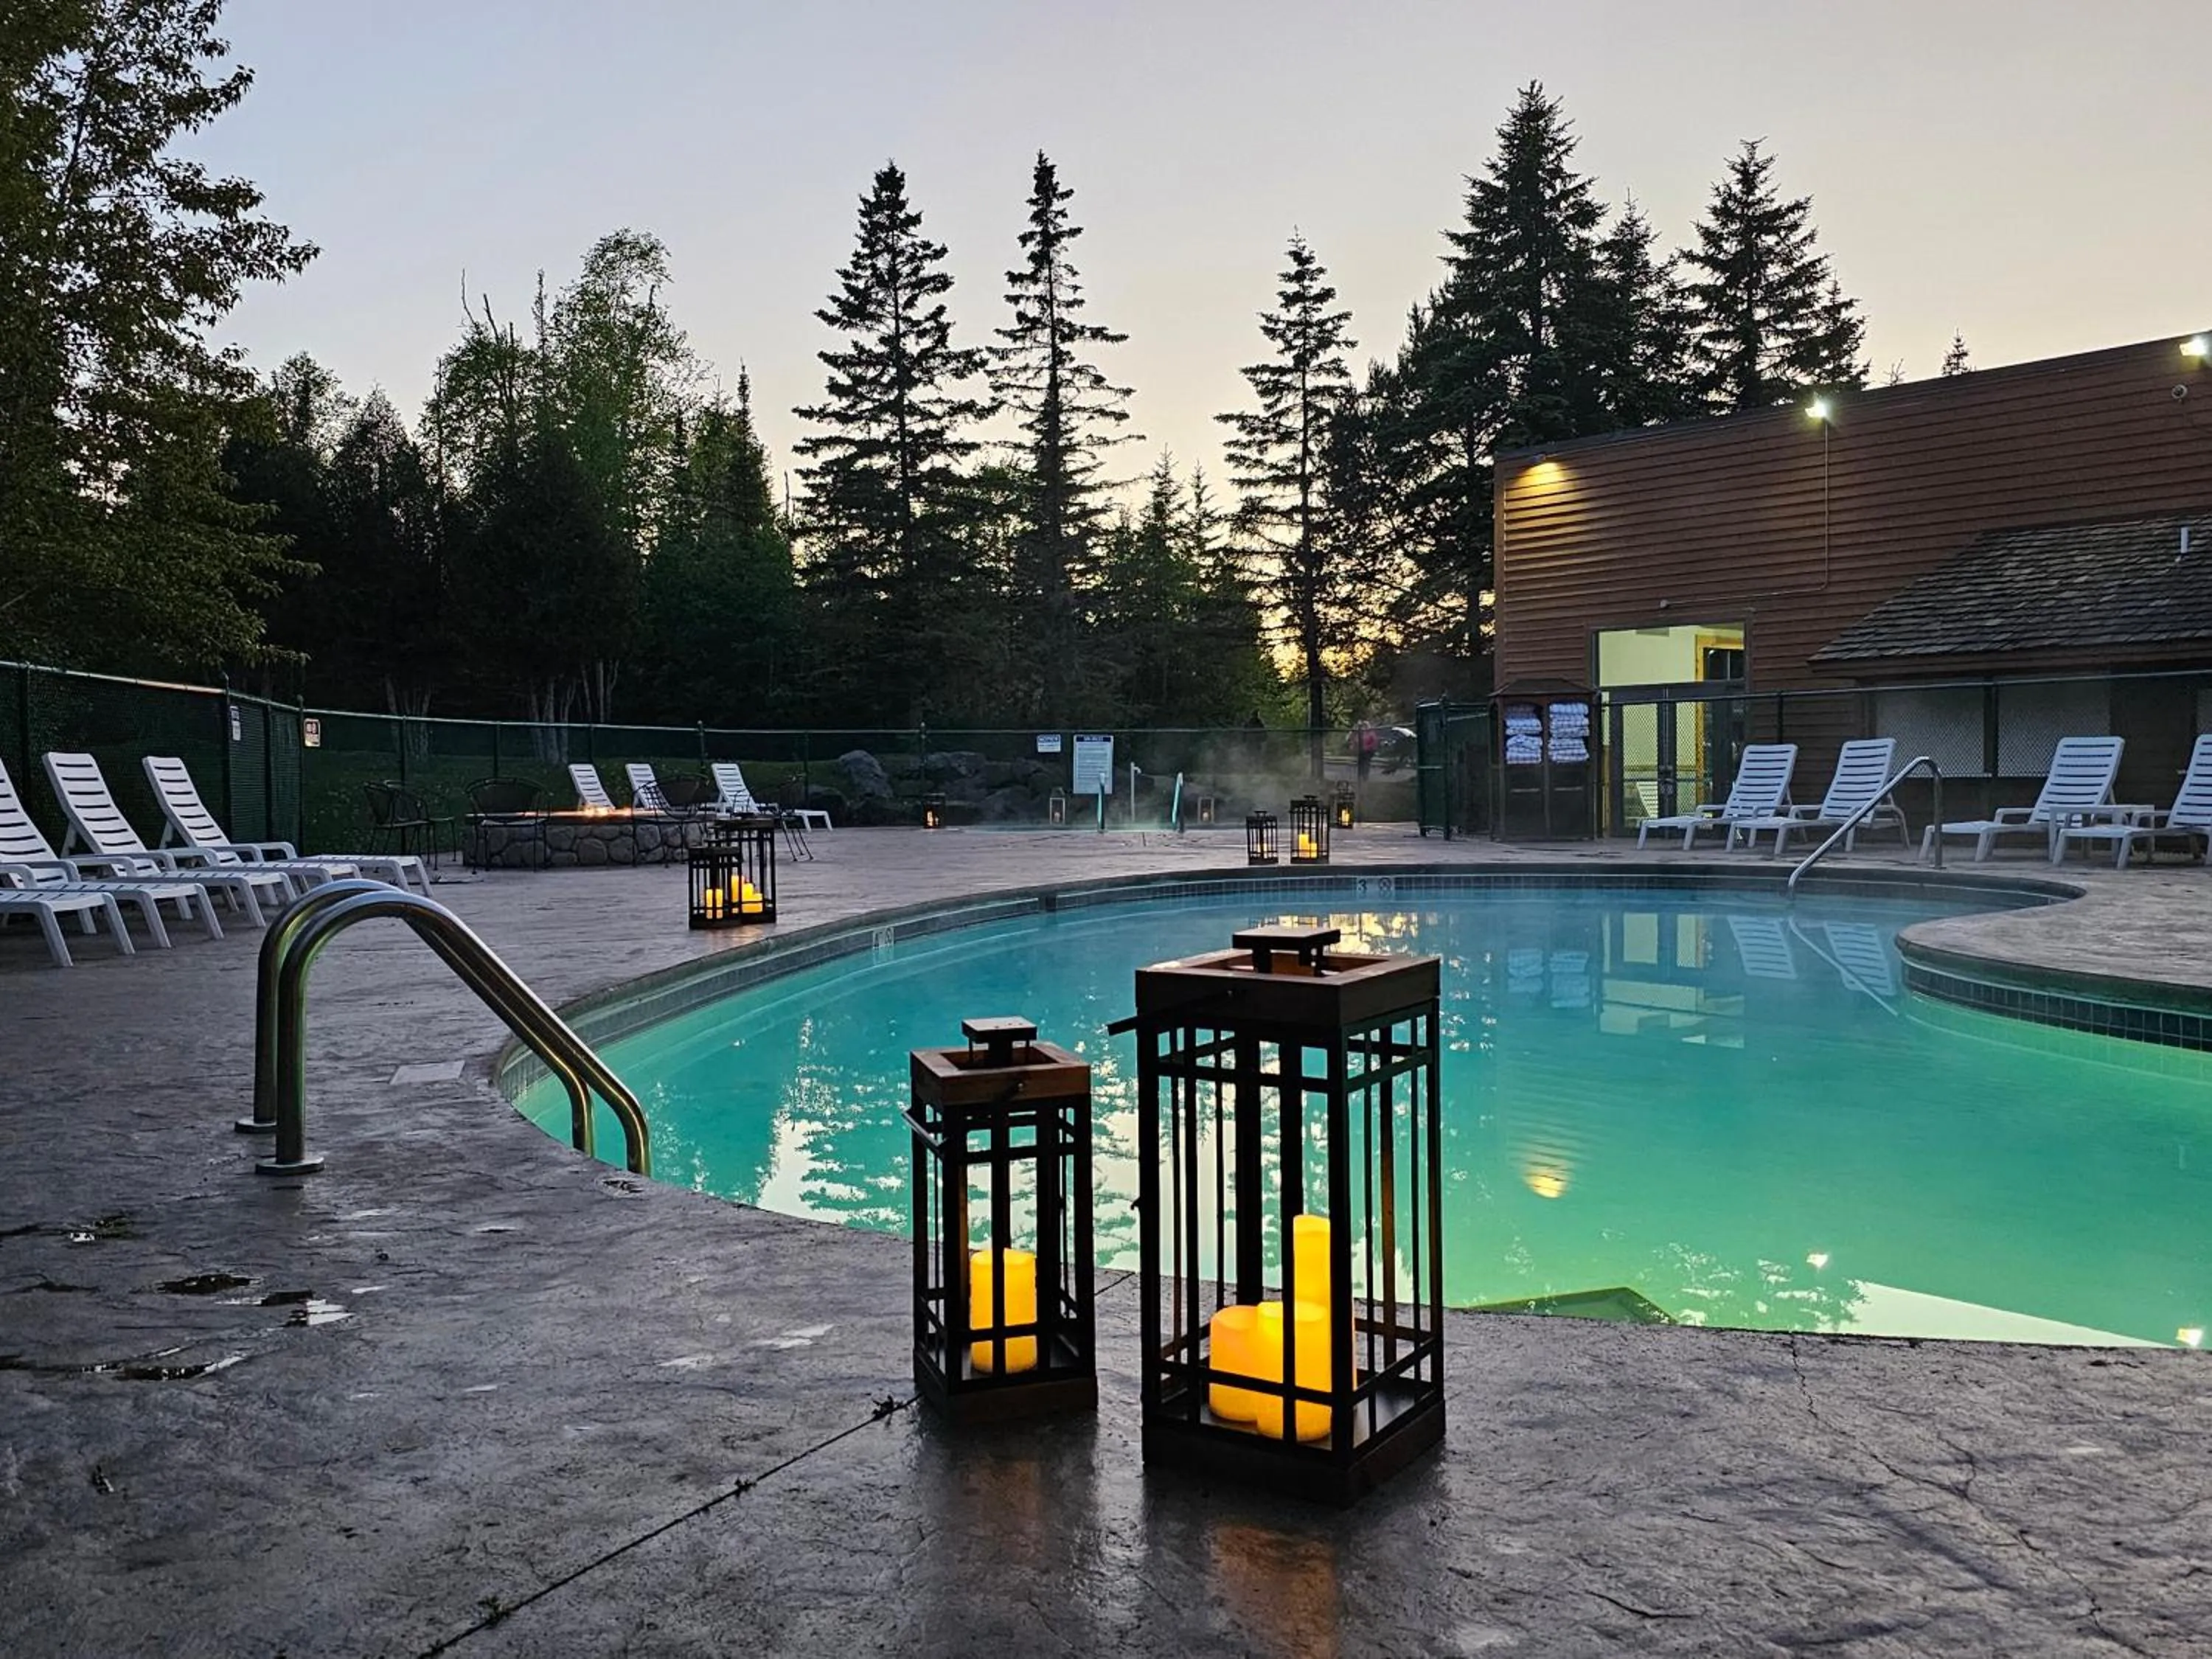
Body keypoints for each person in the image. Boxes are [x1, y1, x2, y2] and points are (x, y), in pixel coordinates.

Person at [1355, 720, 1378, 785]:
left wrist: (1367, 748)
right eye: (1364, 726)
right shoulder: (1361, 733)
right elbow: (1357, 739)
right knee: (1360, 764)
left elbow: (1374, 743)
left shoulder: (1371, 733)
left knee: (1366, 764)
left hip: (1368, 751)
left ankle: (1365, 777)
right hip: (1361, 751)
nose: (1365, 727)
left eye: (1366, 725)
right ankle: (1360, 777)